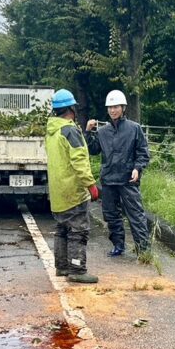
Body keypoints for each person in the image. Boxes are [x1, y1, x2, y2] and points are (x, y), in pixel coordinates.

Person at [85, 89, 151, 256]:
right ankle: (118, 245)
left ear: (123, 108)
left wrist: (137, 168)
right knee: (111, 215)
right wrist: (88, 132)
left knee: (136, 215)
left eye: (116, 107)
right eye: (110, 107)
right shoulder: (103, 131)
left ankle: (143, 250)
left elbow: (143, 152)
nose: (113, 110)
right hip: (108, 179)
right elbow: (92, 150)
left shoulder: (134, 128)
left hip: (128, 179)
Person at [46, 89, 100, 283]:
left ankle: (62, 267)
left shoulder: (52, 130)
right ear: (71, 108)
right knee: (78, 231)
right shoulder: (69, 130)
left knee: (62, 229)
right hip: (72, 191)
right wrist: (91, 184)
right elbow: (79, 160)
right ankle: (77, 270)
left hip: (58, 192)